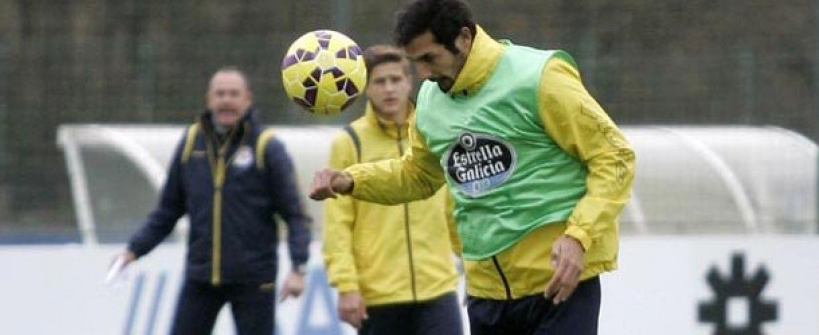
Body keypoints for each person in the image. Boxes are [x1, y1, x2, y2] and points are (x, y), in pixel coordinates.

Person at [310, 0, 636, 334]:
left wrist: (579, 237)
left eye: (429, 59)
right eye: (415, 62)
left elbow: (614, 157)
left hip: (557, 285)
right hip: (486, 294)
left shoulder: (538, 77)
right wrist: (350, 179)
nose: (422, 74)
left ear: (464, 38)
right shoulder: (430, 102)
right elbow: (418, 175)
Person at [115, 67, 312, 335]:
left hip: (254, 279)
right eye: (220, 94)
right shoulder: (190, 143)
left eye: (233, 94)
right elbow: (167, 212)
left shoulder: (266, 147)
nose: (226, 100)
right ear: (209, 99)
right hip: (201, 276)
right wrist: (133, 250)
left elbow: (295, 214)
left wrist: (298, 267)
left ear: (247, 99)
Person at [322, 45, 463, 335]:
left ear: (409, 82)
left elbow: (454, 208)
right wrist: (347, 286)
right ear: (365, 88)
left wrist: (474, 265)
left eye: (396, 80)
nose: (389, 89)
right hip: (379, 296)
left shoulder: (432, 129)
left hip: (438, 289)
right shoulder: (350, 142)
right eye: (379, 81)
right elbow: (338, 223)